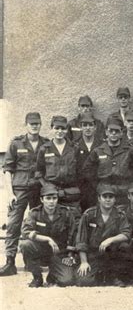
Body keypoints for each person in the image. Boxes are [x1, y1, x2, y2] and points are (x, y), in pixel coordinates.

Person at [0, 112, 49, 276]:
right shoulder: (16, 143)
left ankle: (34, 260)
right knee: (14, 224)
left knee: (39, 224)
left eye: (37, 123)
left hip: (38, 190)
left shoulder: (46, 144)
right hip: (19, 189)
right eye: (31, 123)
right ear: (26, 125)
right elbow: (7, 170)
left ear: (41, 124)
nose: (34, 126)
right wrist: (9, 194)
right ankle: (10, 262)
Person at [20, 184, 77, 287]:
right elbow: (26, 232)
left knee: (66, 281)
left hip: (59, 253)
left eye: (54, 198)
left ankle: (53, 275)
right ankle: (37, 277)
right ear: (42, 199)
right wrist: (47, 239)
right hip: (41, 251)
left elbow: (73, 234)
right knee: (25, 245)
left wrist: (70, 255)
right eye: (48, 198)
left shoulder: (66, 213)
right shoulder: (35, 213)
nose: (51, 201)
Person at [75, 184, 132, 287]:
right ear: (99, 198)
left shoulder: (120, 215)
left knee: (125, 246)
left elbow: (126, 234)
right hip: (93, 254)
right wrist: (84, 262)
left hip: (112, 255)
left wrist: (111, 239)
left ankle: (114, 276)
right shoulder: (89, 215)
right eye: (104, 197)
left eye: (111, 197)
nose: (108, 200)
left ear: (115, 199)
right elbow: (81, 241)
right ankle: (101, 275)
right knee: (84, 282)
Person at [82, 117, 133, 205]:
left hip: (123, 193)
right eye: (111, 130)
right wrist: (98, 185)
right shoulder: (98, 151)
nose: (113, 133)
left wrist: (131, 183)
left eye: (116, 131)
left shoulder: (130, 151)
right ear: (106, 132)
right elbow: (87, 170)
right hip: (104, 193)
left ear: (121, 133)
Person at [35, 116, 82, 211]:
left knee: (73, 221)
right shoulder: (44, 149)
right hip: (52, 194)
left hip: (71, 194)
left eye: (63, 128)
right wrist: (47, 187)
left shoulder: (74, 148)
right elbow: (39, 172)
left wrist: (75, 189)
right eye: (57, 128)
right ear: (52, 129)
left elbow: (80, 171)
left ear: (67, 130)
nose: (60, 131)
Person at [75, 112, 104, 211]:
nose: (88, 128)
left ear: (95, 127)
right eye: (85, 125)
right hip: (81, 187)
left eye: (90, 125)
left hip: (98, 185)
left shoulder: (102, 145)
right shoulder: (75, 145)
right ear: (80, 127)